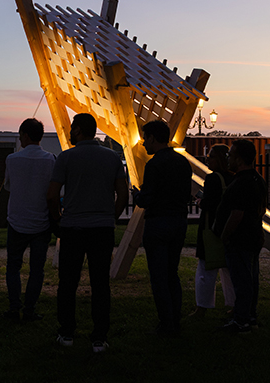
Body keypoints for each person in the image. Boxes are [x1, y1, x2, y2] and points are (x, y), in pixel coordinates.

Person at [47, 113, 128, 353]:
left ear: (79, 130)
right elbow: (123, 194)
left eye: (73, 128)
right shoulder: (112, 157)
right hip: (102, 228)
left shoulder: (66, 157)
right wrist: (111, 217)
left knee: (67, 283)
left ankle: (67, 333)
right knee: (100, 284)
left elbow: (52, 194)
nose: (70, 131)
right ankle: (99, 338)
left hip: (73, 227)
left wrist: (57, 218)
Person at [135, 119, 192, 336]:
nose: (143, 143)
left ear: (152, 138)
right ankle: (175, 319)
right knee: (171, 273)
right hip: (179, 221)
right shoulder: (182, 162)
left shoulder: (154, 165)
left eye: (145, 138)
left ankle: (166, 323)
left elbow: (146, 199)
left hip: (158, 223)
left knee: (159, 276)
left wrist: (138, 195)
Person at [3, 118, 55, 323]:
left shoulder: (12, 159)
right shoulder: (50, 159)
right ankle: (30, 309)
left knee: (13, 266)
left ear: (25, 135)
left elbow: (8, 185)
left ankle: (13, 307)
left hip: (17, 220)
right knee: (37, 270)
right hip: (41, 221)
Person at [216, 139, 266, 334]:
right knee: (251, 279)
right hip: (253, 236)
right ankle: (249, 315)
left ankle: (241, 320)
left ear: (239, 159)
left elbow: (237, 214)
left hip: (239, 239)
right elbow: (262, 209)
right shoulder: (258, 180)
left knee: (242, 281)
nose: (228, 159)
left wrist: (225, 235)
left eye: (231, 155)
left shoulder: (241, 183)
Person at [190, 144, 236, 319]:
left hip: (211, 226)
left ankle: (202, 306)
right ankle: (233, 304)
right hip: (228, 227)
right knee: (228, 269)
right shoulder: (234, 178)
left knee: (205, 268)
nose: (207, 159)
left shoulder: (212, 179)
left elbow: (209, 203)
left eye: (210, 156)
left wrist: (200, 202)